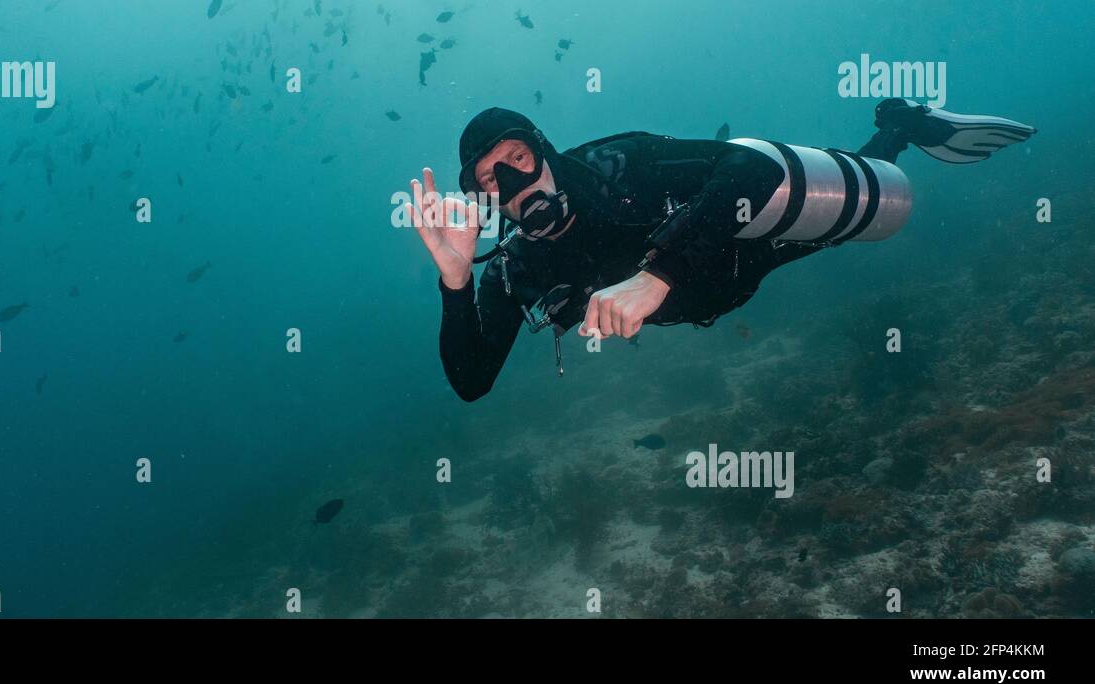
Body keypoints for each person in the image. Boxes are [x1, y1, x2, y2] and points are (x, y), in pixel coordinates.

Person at [408, 100, 1036, 402]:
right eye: (492, 180)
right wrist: (457, 283)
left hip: (738, 243)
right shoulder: (519, 263)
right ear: (484, 199)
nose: (515, 185)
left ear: (544, 149)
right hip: (712, 296)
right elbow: (470, 381)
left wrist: (657, 274)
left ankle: (901, 127)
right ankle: (895, 132)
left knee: (846, 215)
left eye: (518, 159)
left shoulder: (619, 167)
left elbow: (750, 167)